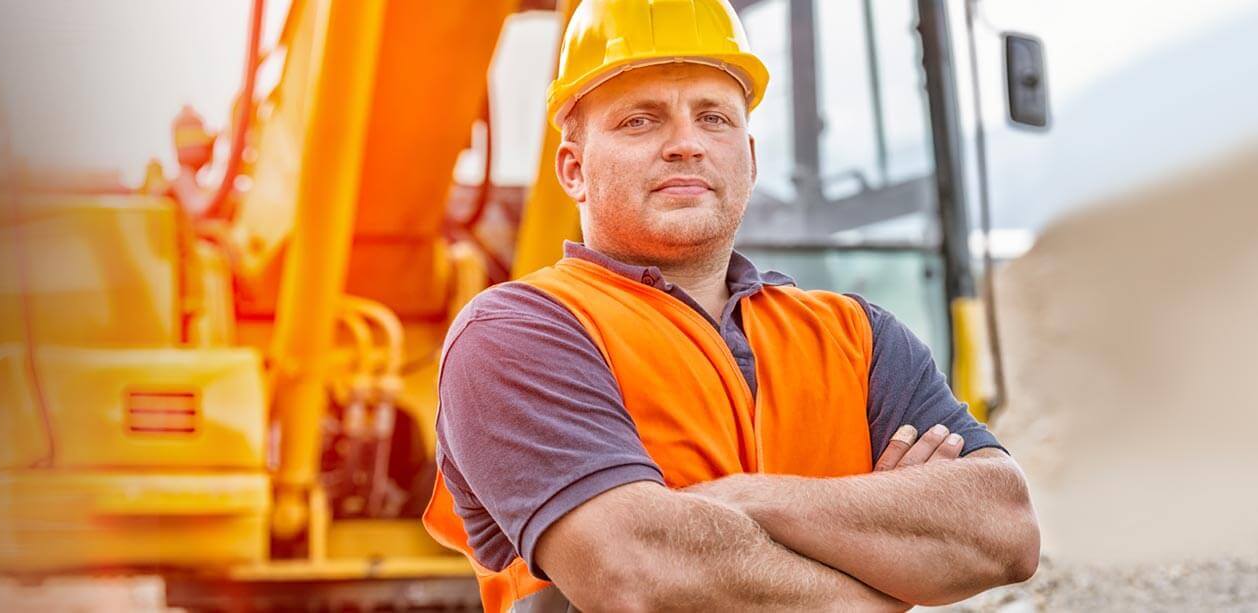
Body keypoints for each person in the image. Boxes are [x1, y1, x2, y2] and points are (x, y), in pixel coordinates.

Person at [422, 0, 1040, 610]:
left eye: (714, 118)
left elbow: (1005, 530)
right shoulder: (516, 334)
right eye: (641, 120)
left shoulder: (857, 335)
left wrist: (746, 499)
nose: (686, 144)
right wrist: (885, 558)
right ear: (574, 170)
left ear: (750, 157)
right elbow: (638, 573)